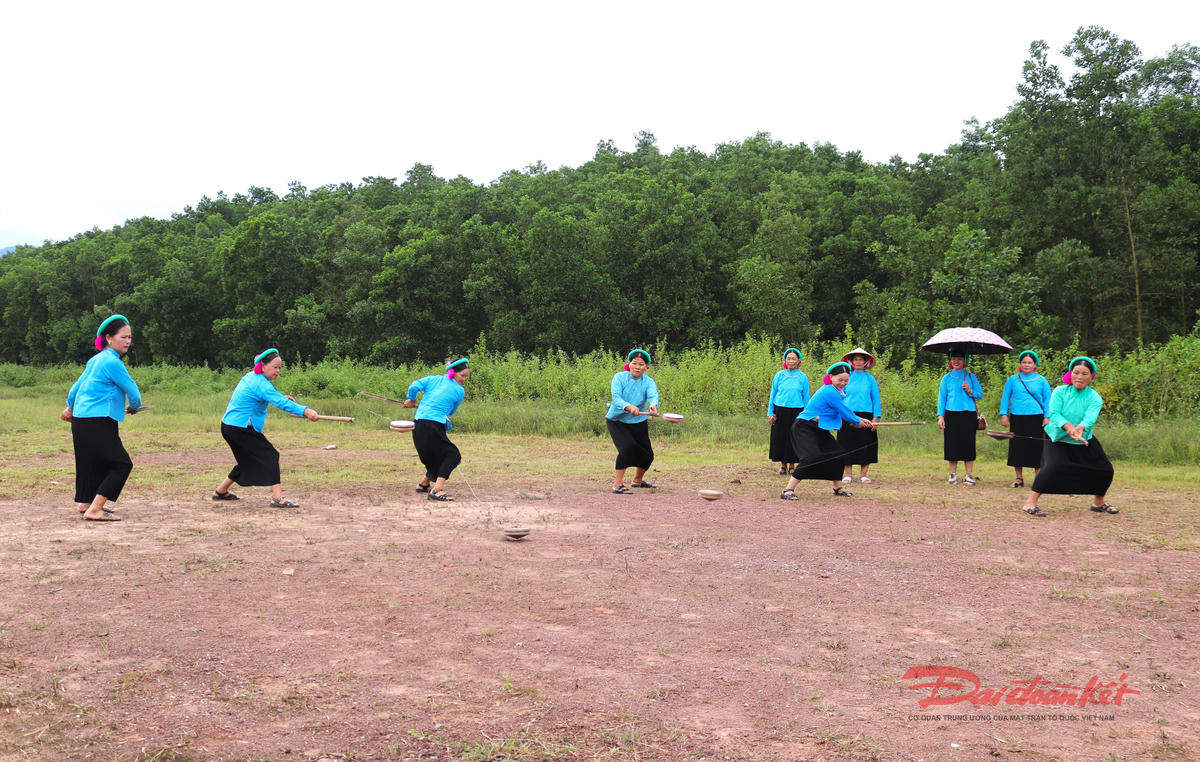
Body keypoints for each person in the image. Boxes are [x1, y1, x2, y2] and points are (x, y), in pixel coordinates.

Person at [213, 348, 321, 508]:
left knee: (246, 461)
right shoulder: (260, 383)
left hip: (230, 426)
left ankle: (220, 491)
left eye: (280, 368)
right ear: (263, 365)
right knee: (271, 455)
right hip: (240, 428)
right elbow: (279, 401)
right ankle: (277, 499)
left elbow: (265, 397)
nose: (277, 371)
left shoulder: (252, 377)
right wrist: (306, 411)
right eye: (275, 367)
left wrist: (282, 398)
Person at [62, 315, 143, 521]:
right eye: (123, 337)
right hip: (98, 420)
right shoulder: (112, 362)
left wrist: (69, 409)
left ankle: (85, 503)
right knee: (122, 464)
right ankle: (95, 509)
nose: (127, 341)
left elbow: (74, 390)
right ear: (108, 338)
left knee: (90, 463)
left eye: (130, 338)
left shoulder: (95, 360)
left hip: (81, 420)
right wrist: (134, 407)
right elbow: (133, 391)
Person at [1021, 357, 1117, 517]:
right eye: (1076, 373)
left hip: (1082, 436)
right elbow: (1054, 413)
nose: (1079, 377)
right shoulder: (1060, 391)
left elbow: (1090, 418)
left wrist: (1080, 427)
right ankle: (1030, 503)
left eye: (1084, 373)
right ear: (1070, 374)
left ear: (1091, 376)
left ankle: (1098, 503)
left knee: (1105, 469)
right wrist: (1068, 426)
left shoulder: (1095, 397)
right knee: (1052, 467)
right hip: (1057, 436)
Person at [780, 362, 875, 500]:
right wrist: (857, 422)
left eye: (846, 380)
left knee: (837, 454)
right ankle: (788, 490)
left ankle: (837, 487)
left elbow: (845, 410)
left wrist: (860, 419)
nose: (842, 383)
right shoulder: (829, 391)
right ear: (831, 377)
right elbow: (845, 413)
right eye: (840, 379)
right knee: (811, 457)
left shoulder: (839, 391)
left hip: (819, 427)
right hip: (804, 426)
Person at [403, 358, 469, 502]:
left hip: (419, 424)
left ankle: (424, 484)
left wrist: (411, 400)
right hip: (433, 425)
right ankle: (437, 490)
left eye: (466, 376)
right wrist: (444, 419)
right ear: (452, 372)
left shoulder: (432, 380)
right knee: (453, 455)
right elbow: (450, 411)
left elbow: (414, 386)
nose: (464, 379)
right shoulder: (459, 391)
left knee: (436, 455)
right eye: (462, 375)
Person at [606, 349, 659, 494]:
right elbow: (616, 398)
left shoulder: (648, 382)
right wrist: (629, 407)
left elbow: (653, 395)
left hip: (638, 420)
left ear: (646, 367)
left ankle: (637, 481)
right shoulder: (619, 378)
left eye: (641, 364)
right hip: (617, 420)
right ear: (629, 364)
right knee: (628, 448)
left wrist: (653, 406)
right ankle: (617, 484)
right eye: (634, 363)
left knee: (647, 454)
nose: (637, 367)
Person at [998, 350, 1052, 488]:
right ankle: (1019, 478)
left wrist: (1047, 417)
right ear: (1020, 364)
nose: (1026, 365)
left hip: (1036, 418)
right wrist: (1004, 414)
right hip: (1017, 417)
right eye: (1024, 362)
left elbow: (1048, 400)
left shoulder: (1041, 380)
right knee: (1017, 447)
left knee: (1036, 447)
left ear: (1035, 365)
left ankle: (1038, 478)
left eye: (1029, 362)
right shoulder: (1013, 380)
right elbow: (1005, 397)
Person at [937, 349, 984, 485]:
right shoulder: (946, 378)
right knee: (952, 444)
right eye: (954, 358)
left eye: (959, 358)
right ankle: (953, 475)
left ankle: (969, 475)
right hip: (951, 414)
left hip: (968, 414)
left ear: (965, 361)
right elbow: (942, 399)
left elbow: (979, 395)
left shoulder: (971, 377)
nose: (956, 361)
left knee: (968, 443)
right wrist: (941, 417)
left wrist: (969, 390)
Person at [838, 347, 882, 483]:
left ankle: (864, 475)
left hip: (867, 414)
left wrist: (875, 418)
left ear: (865, 362)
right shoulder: (846, 377)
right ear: (851, 362)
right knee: (846, 443)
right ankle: (848, 475)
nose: (858, 362)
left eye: (861, 359)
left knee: (866, 443)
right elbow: (839, 396)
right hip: (848, 414)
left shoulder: (870, 379)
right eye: (855, 359)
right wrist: (839, 415)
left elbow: (876, 399)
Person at [767, 347, 809, 476]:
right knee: (780, 437)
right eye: (789, 358)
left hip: (797, 411)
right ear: (785, 360)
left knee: (794, 438)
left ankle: (792, 465)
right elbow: (773, 394)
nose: (791, 361)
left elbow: (806, 397)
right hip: (780, 410)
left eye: (794, 359)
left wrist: (807, 415)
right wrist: (770, 413)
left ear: (798, 361)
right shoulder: (779, 375)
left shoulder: (803, 377)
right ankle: (783, 465)